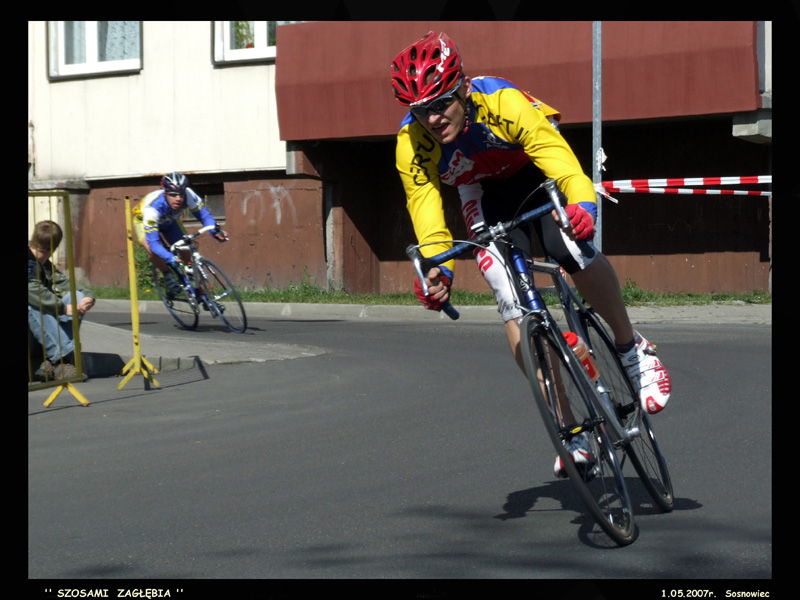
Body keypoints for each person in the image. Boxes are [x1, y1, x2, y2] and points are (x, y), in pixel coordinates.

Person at [391, 31, 671, 477]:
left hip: (533, 168)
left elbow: (556, 156)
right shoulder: (412, 145)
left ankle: (631, 347)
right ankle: (569, 428)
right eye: (420, 110)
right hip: (482, 190)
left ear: (461, 87)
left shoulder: (501, 100)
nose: (434, 117)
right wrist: (438, 269)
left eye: (441, 102)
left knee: (569, 246)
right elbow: (426, 211)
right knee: (505, 287)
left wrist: (582, 204)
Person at [133, 172, 226, 298]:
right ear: (165, 193)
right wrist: (169, 257)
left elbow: (204, 216)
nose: (178, 198)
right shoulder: (153, 208)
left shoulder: (189, 195)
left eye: (181, 193)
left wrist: (215, 232)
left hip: (169, 222)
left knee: (187, 248)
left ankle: (202, 292)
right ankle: (168, 276)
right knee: (152, 249)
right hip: (144, 221)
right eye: (173, 194)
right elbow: (154, 243)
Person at [28, 220, 95, 381]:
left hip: (41, 336)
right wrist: (64, 308)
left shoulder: (43, 263)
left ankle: (52, 360)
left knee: (77, 296)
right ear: (54, 247)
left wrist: (87, 295)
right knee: (32, 303)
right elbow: (33, 291)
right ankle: (62, 359)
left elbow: (62, 281)